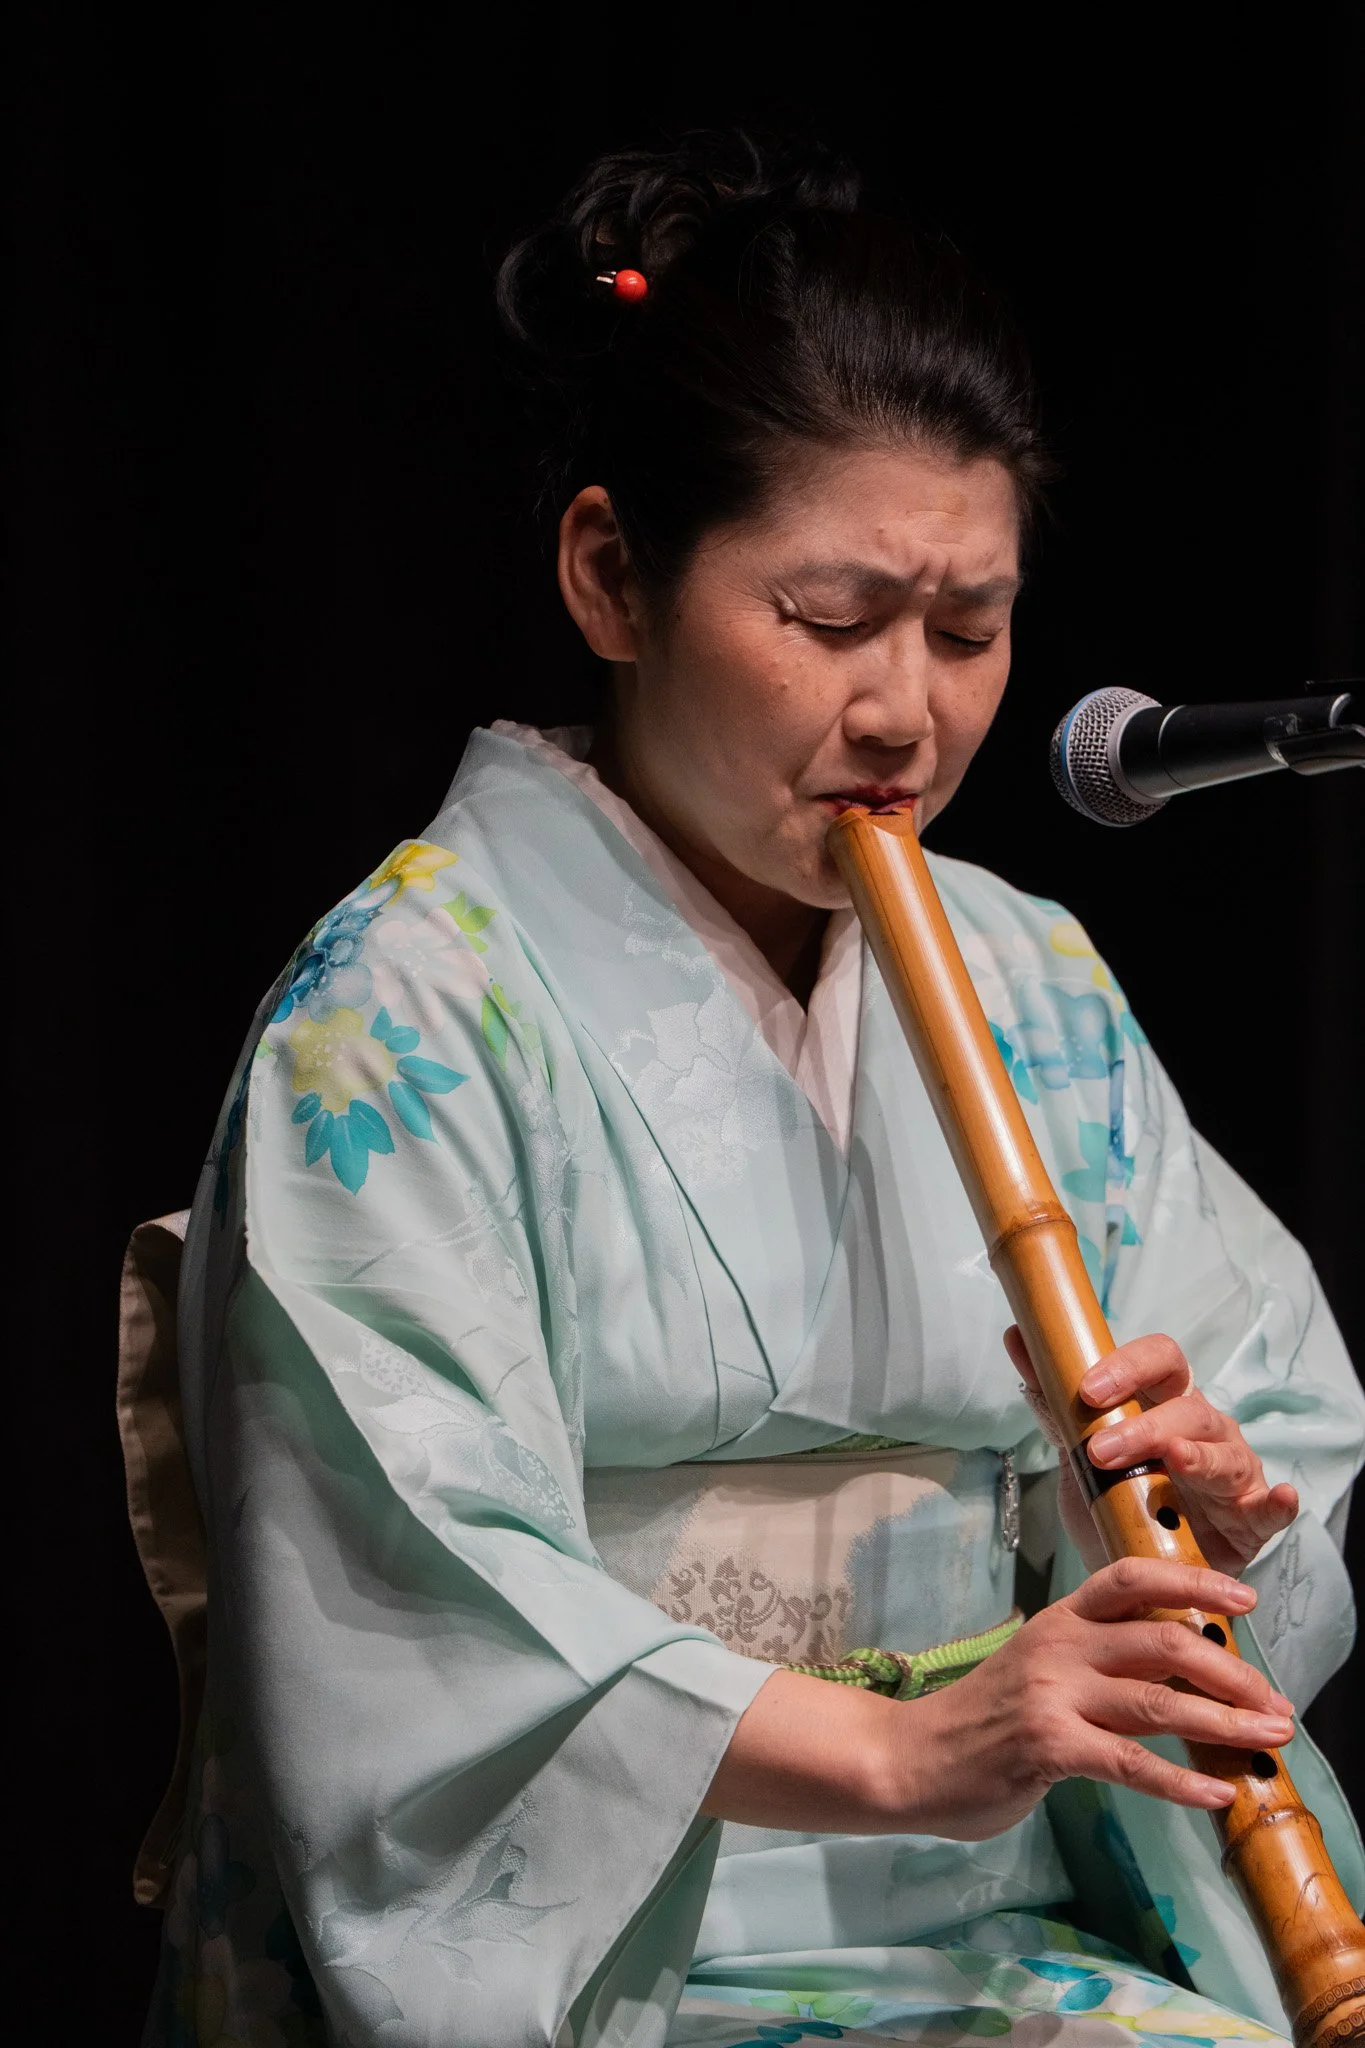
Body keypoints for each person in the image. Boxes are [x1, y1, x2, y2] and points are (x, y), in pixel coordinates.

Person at [142, 133, 1364, 2046]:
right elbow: (417, 1625)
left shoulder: (1034, 983)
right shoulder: (401, 1016)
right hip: (617, 1968)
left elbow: (1258, 1436)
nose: (909, 709)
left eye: (970, 629)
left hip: (1028, 1921)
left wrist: (1207, 1515)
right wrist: (904, 1748)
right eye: (830, 619)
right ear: (615, 574)